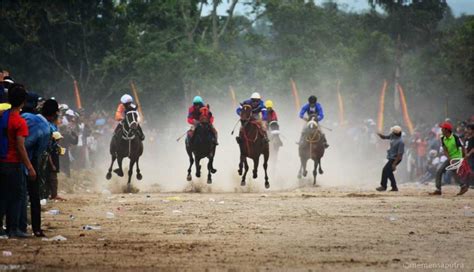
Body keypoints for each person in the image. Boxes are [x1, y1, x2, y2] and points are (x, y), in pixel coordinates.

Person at [0, 84, 36, 238]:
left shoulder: (2, 116)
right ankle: (13, 228)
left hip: (1, 162)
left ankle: (1, 229)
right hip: (13, 163)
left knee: (2, 196)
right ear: (23, 102)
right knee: (15, 197)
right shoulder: (19, 122)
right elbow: (21, 147)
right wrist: (30, 166)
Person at [19, 94, 53, 237]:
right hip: (27, 160)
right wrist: (31, 167)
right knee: (32, 196)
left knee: (18, 196)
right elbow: (25, 146)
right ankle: (35, 228)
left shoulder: (15, 117)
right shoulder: (41, 124)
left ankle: (16, 227)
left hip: (16, 160)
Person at [429, 122, 465, 195]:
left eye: (442, 128)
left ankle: (463, 186)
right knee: (439, 171)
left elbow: (462, 148)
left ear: (447, 130)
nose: (441, 130)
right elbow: (445, 150)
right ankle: (438, 189)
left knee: (454, 171)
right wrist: (449, 158)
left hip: (458, 158)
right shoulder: (443, 138)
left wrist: (463, 158)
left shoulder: (455, 137)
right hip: (450, 158)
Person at [376, 126, 405, 192]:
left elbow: (400, 155)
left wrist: (394, 164)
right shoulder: (392, 135)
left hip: (396, 159)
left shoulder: (401, 142)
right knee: (389, 172)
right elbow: (385, 137)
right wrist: (380, 135)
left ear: (395, 133)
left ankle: (383, 186)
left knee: (385, 170)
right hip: (392, 157)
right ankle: (394, 187)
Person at [458, 123, 474, 195]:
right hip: (467, 157)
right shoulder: (467, 138)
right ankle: (467, 185)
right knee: (467, 171)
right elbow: (465, 147)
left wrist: (469, 154)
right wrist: (465, 154)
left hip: (472, 156)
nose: (467, 130)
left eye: (469, 129)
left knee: (471, 170)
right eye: (467, 129)